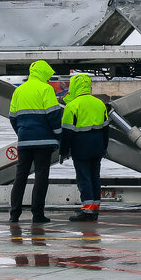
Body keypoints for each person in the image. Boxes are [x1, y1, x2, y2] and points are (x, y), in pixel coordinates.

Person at [8, 59, 63, 224]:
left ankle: (14, 214)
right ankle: (37, 214)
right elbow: (53, 115)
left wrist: (22, 133)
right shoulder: (45, 89)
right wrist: (59, 136)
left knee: (20, 176)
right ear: (43, 73)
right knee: (41, 176)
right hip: (44, 140)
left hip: (24, 140)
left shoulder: (19, 90)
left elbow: (12, 117)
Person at [59, 73, 110, 222]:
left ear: (74, 87)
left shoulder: (72, 106)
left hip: (81, 147)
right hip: (97, 147)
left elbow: (67, 133)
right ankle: (94, 209)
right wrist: (104, 147)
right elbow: (106, 130)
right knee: (95, 177)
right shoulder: (99, 104)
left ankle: (87, 211)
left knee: (84, 178)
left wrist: (63, 151)